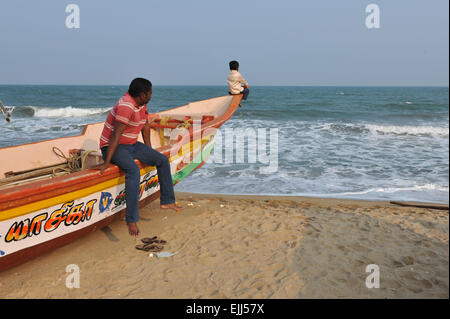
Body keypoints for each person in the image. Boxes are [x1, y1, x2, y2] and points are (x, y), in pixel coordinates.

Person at [94, 78, 183, 237]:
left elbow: (145, 126)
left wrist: (149, 152)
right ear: (143, 94)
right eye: (149, 93)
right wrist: (106, 162)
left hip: (132, 145)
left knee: (161, 160)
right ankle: (131, 219)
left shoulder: (141, 104)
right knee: (133, 170)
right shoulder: (126, 106)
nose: (150, 96)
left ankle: (167, 201)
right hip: (113, 147)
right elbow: (116, 135)